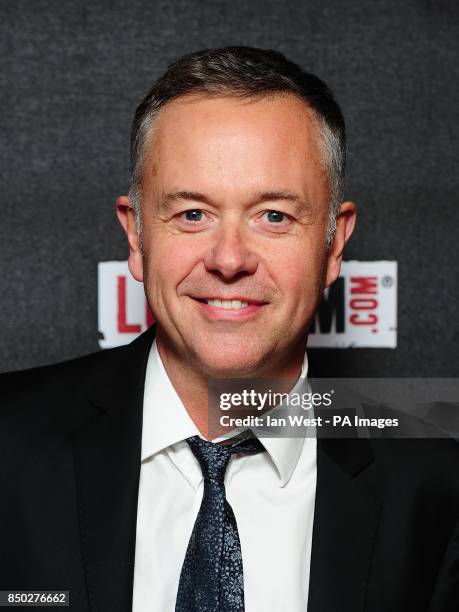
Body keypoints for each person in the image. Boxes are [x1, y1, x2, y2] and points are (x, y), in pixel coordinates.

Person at [1, 46, 458, 612]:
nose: (229, 258)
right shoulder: (9, 445)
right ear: (137, 236)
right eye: (193, 213)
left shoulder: (436, 486)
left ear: (334, 244)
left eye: (274, 216)